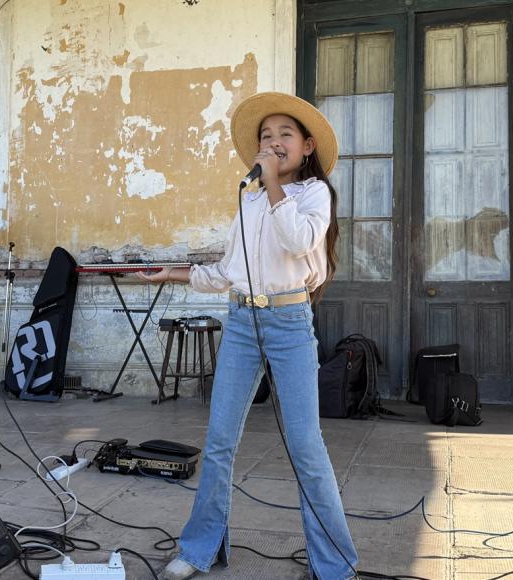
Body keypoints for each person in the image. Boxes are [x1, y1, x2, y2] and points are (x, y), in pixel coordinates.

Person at [137, 92, 358, 580]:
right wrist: (172, 274)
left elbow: (298, 241)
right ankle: (201, 548)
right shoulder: (251, 200)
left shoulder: (313, 195)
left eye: (284, 135)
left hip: (290, 324)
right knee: (218, 441)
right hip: (241, 324)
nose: (273, 142)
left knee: (305, 446)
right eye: (265, 136)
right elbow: (230, 272)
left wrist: (275, 185)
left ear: (307, 145)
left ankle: (334, 566)